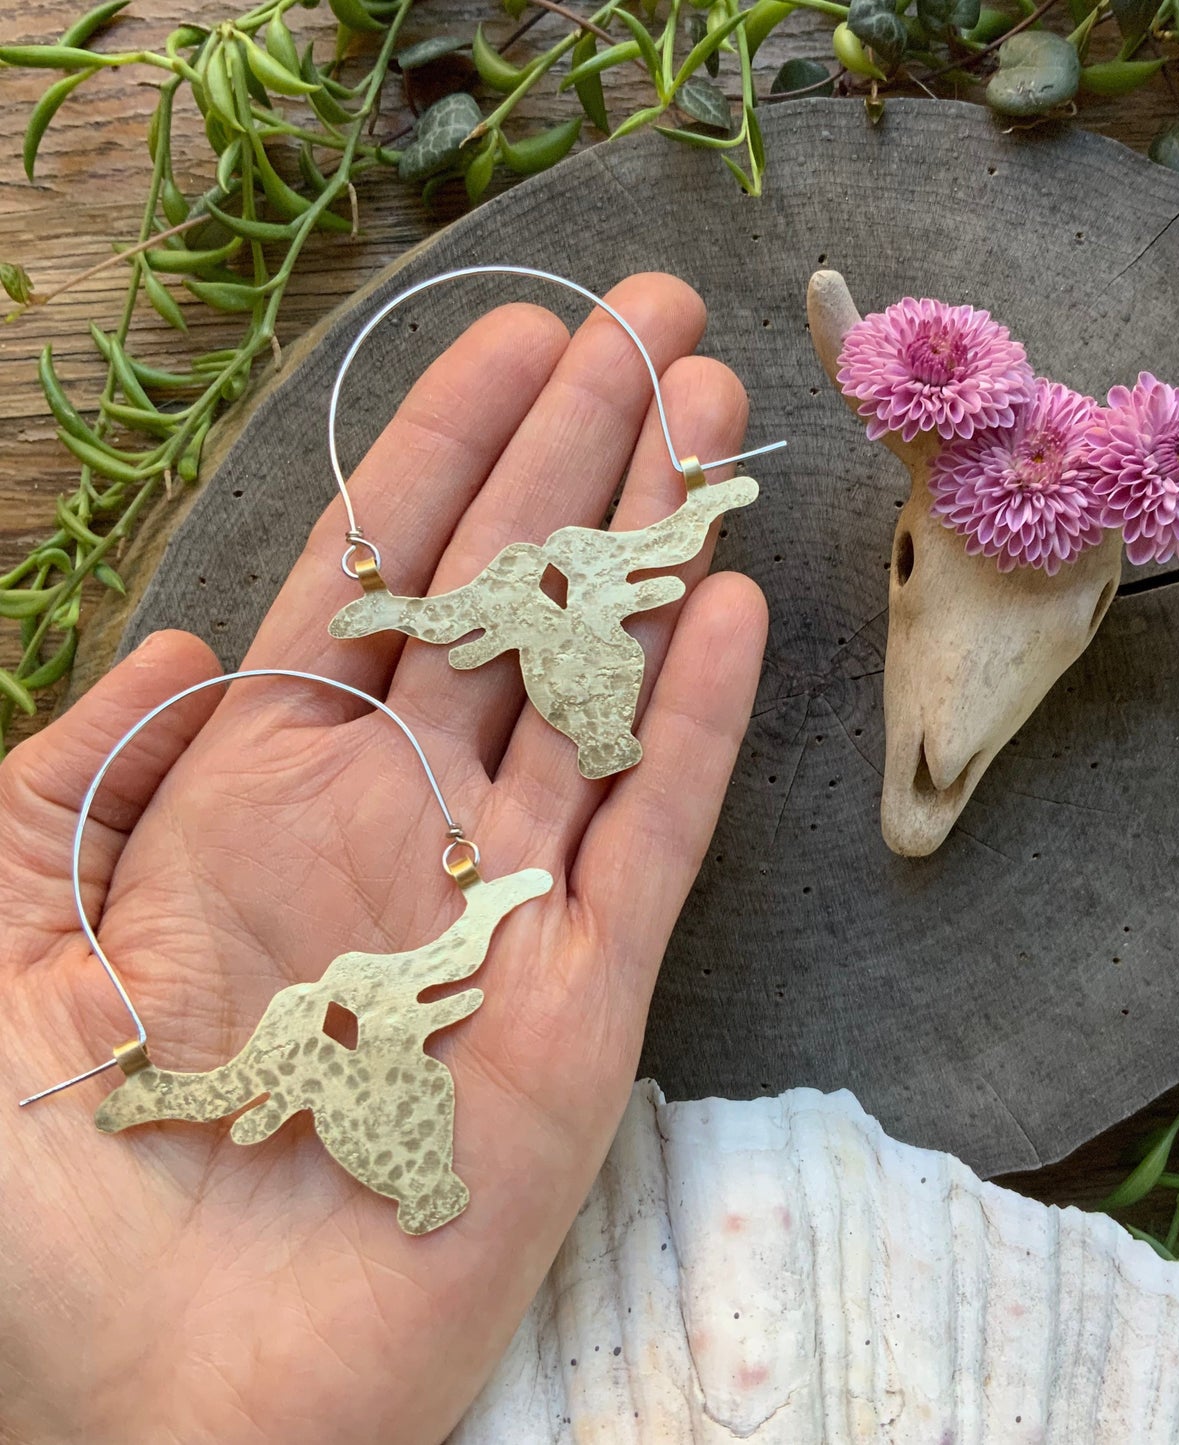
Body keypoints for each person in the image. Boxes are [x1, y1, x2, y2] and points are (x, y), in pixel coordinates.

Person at [0, 273, 767, 1443]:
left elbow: (642, 549)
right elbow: (446, 628)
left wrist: (701, 509)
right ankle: (411, 1169)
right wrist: (386, 617)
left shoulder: (557, 588)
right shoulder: (508, 594)